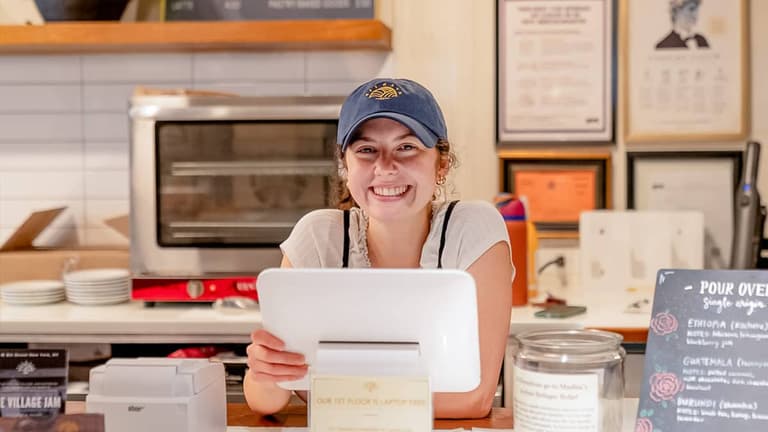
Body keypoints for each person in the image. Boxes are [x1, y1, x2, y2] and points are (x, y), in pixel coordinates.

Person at [243, 78, 514, 419]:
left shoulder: (472, 230)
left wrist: (334, 396)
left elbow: (473, 399)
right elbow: (268, 400)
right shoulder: (318, 238)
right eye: (366, 150)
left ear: (441, 164)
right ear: (345, 166)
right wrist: (265, 371)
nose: (385, 167)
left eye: (407, 147)